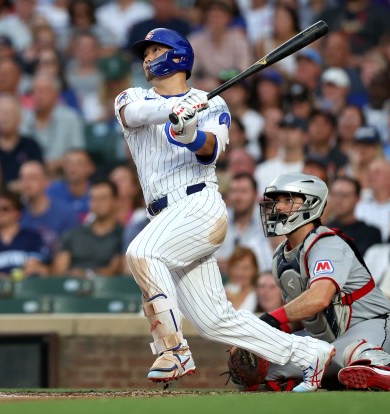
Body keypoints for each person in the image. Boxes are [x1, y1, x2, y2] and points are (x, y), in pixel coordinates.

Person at [116, 28, 335, 391]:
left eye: (155, 50)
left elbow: (212, 150)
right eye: (145, 52)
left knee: (141, 252)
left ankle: (173, 349)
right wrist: (174, 109)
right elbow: (133, 114)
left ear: (177, 56)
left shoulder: (211, 103)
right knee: (215, 320)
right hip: (165, 217)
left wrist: (189, 133)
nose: (147, 58)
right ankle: (308, 353)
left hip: (199, 206)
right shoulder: (134, 95)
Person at [257, 172, 390, 391]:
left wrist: (264, 323)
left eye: (288, 200)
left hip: (368, 326)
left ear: (311, 204)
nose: (278, 207)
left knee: (357, 354)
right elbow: (299, 316)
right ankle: (325, 376)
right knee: (261, 364)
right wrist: (261, 341)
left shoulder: (327, 244)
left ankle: (377, 368)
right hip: (324, 340)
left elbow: (319, 298)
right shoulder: (280, 256)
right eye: (277, 201)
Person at [51, 180, 124, 277]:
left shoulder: (123, 235)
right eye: (93, 199)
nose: (97, 203)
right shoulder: (73, 234)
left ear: (115, 201)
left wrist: (87, 274)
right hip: (71, 287)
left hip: (107, 289)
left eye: (103, 198)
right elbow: (59, 272)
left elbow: (115, 270)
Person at [224, 246, 259, 312]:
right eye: (236, 267)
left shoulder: (260, 295)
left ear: (254, 270)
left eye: (245, 268)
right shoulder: (222, 293)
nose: (239, 273)